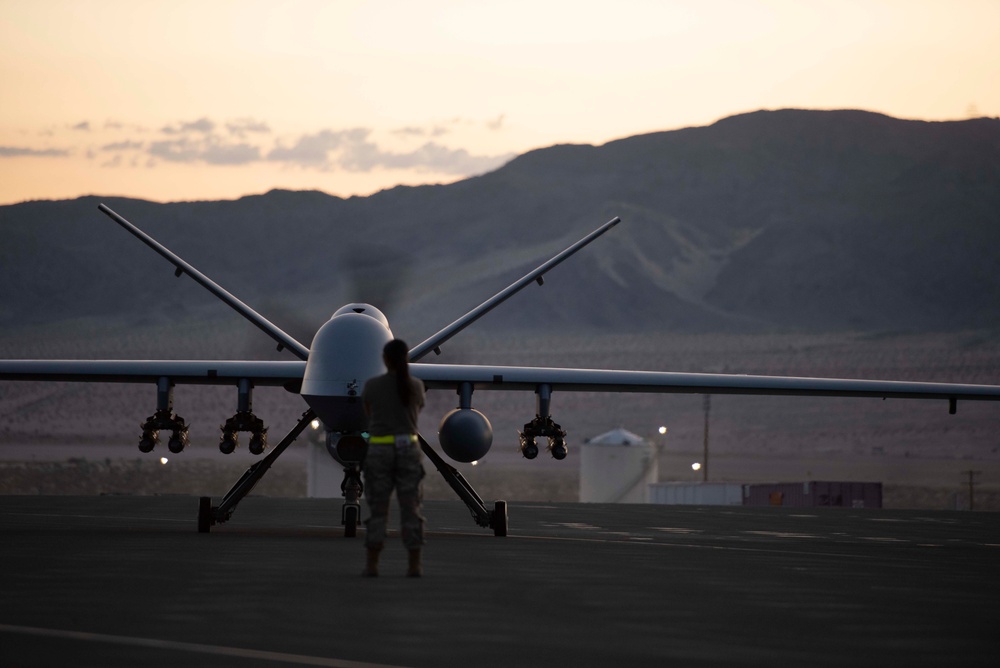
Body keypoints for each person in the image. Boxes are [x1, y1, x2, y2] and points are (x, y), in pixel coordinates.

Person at [361, 338, 427, 577]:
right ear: (406, 359)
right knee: (411, 507)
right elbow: (417, 410)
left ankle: (372, 564)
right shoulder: (416, 386)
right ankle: (414, 564)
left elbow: (369, 413)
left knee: (378, 509)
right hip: (408, 451)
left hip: (379, 452)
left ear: (385, 359)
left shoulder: (372, 386)